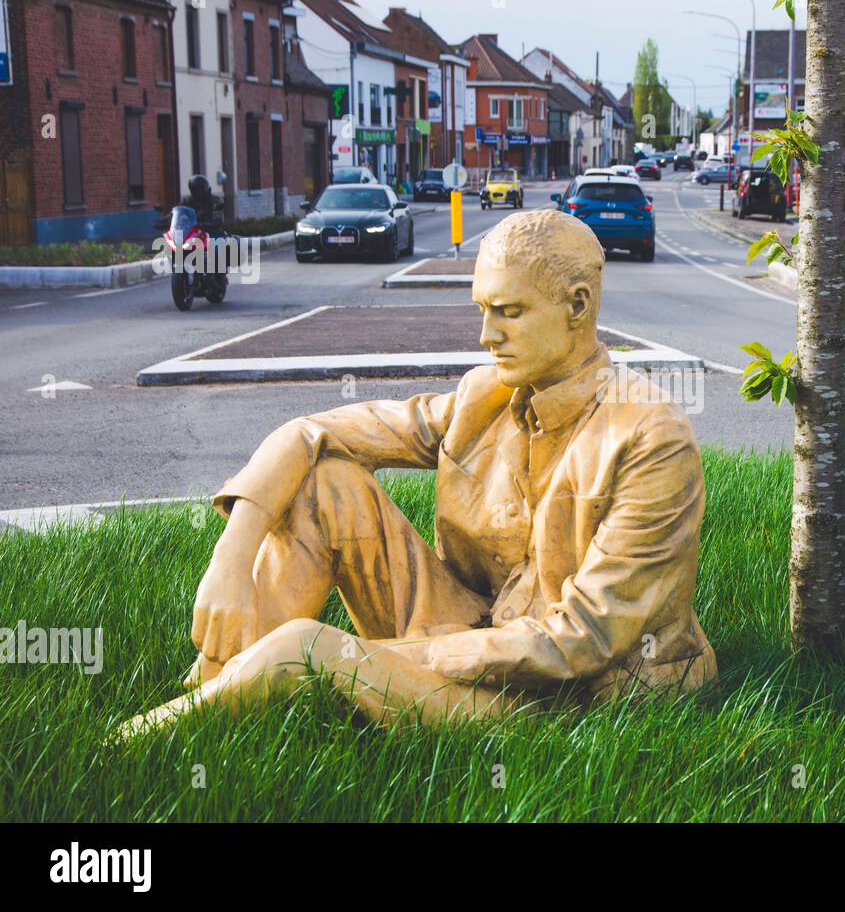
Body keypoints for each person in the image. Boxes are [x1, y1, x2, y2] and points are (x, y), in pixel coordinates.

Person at [114, 210, 715, 739]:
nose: (487, 336)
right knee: (326, 484)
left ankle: (133, 745)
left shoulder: (650, 439)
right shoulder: (487, 394)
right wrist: (231, 555)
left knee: (308, 651)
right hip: (473, 618)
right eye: (483, 309)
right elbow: (310, 431)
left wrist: (380, 656)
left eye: (509, 312)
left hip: (577, 695)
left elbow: (583, 640)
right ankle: (221, 685)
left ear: (577, 306)